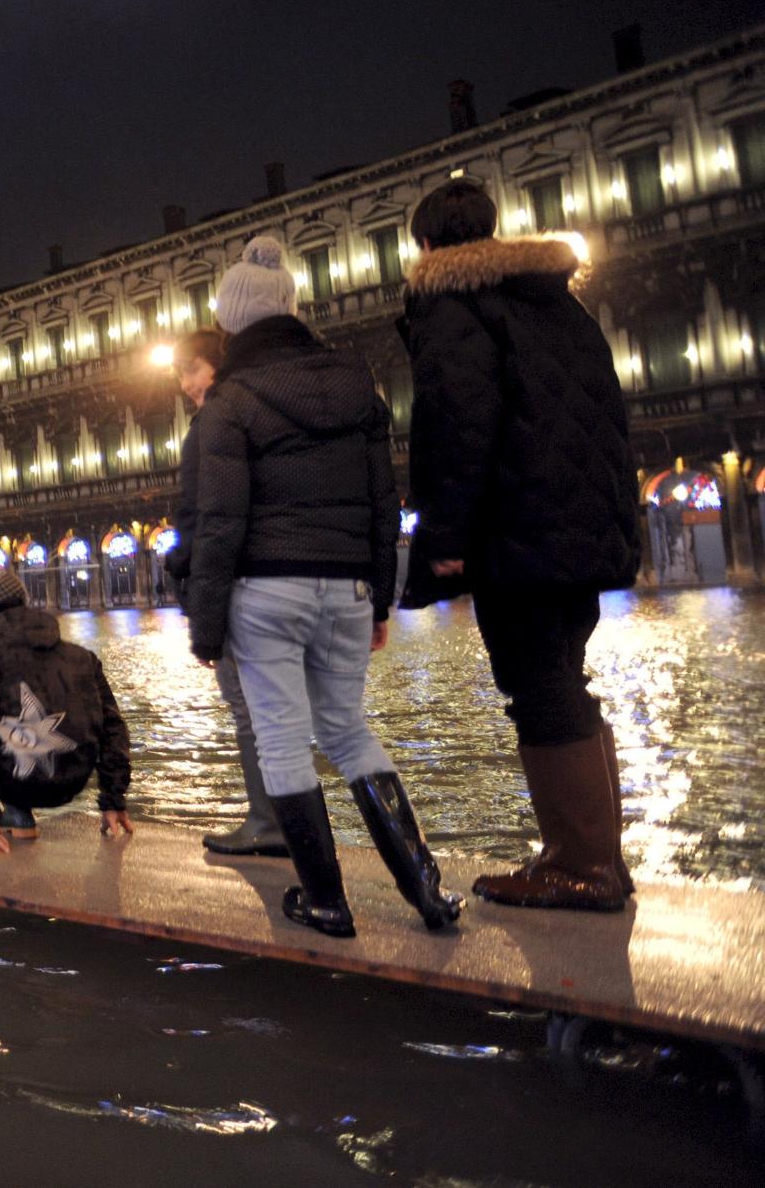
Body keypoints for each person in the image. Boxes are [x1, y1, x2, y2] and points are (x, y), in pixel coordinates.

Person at [187, 235, 460, 937]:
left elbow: (219, 520)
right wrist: (380, 593)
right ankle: (426, 891)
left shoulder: (230, 398)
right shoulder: (355, 383)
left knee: (282, 740)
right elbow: (383, 500)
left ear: (231, 323)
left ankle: (328, 902)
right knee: (347, 730)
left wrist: (206, 624)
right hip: (347, 589)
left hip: (265, 592)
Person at [399, 179, 640, 910]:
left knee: (537, 686)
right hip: (578, 528)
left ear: (430, 247)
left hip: (519, 531)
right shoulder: (556, 301)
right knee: (567, 679)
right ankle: (600, 856)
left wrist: (444, 536)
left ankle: (580, 866)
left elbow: (460, 425)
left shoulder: (452, 304)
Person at [165, 327, 286, 858]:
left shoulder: (214, 420)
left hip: (234, 579)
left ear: (214, 364)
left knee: (247, 707)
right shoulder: (264, 407)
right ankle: (286, 820)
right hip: (272, 572)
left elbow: (205, 513)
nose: (185, 384)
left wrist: (183, 568)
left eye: (190, 370)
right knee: (279, 708)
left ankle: (268, 821)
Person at [0, 569, 132, 855]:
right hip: (72, 781)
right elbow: (113, 727)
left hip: (17, 779)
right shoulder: (81, 656)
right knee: (15, 727)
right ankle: (19, 816)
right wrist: (113, 798)